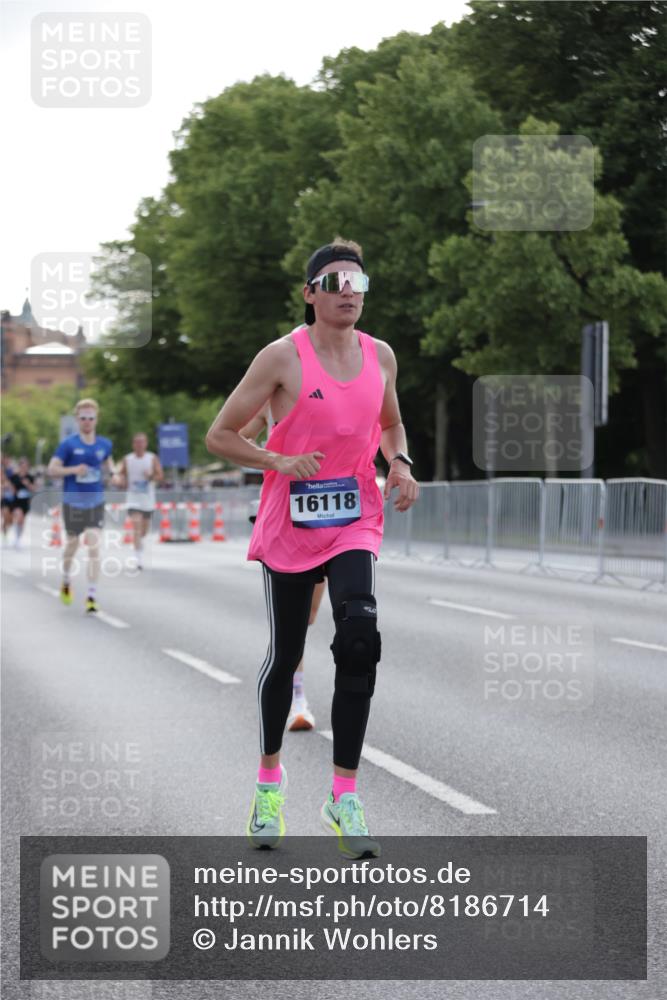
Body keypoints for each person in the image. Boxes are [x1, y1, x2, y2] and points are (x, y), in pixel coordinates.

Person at [206, 238, 419, 858]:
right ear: (310, 294)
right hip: (291, 524)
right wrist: (277, 460)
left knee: (360, 639)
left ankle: (343, 796)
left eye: (357, 282)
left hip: (354, 518)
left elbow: (390, 423)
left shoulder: (381, 355)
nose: (348, 291)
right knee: (287, 654)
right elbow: (221, 435)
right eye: (334, 282)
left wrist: (400, 463)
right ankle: (269, 782)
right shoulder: (281, 357)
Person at [241, 402, 324, 731]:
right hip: (286, 515)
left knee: (313, 615)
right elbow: (237, 437)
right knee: (297, 621)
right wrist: (274, 459)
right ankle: (298, 700)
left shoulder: (332, 386)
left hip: (328, 511)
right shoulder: (269, 400)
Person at [47, 398, 117, 612]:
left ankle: (91, 596)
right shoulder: (68, 444)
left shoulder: (104, 444)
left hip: (95, 502)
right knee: (72, 545)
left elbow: (109, 462)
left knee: (94, 546)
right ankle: (66, 580)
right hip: (73, 503)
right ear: (77, 419)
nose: (87, 421)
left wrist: (113, 473)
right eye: (83, 418)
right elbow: (52, 469)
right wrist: (73, 470)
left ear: (97, 419)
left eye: (91, 418)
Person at [115, 432, 163, 570]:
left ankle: (139, 544)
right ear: (133, 444)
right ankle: (138, 559)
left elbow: (160, 476)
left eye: (142, 442)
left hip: (147, 499)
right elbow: (121, 475)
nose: (139, 445)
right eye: (137, 442)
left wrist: (151, 476)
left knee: (144, 531)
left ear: (146, 444)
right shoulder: (127, 459)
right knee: (136, 527)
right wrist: (120, 480)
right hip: (133, 499)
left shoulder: (152, 458)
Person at [8, 457, 36, 549]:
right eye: (22, 466)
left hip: (25, 502)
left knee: (22, 521)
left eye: (26, 466)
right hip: (16, 501)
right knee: (19, 516)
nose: (24, 468)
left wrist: (28, 484)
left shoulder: (30, 477)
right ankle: (16, 537)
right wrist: (13, 490)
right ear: (19, 466)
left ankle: (19, 538)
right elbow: (11, 488)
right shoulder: (14, 477)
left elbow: (34, 489)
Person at [1, 455, 16, 542]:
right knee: (5, 513)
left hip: (11, 499)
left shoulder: (12, 471)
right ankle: (3, 530)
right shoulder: (2, 470)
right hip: (3, 499)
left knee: (10, 520)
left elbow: (14, 487)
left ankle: (4, 529)